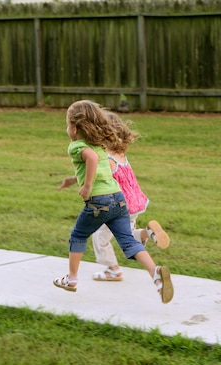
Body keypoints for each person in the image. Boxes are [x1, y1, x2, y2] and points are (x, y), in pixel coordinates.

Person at [55, 100, 174, 303]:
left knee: (78, 235)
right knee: (127, 240)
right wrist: (77, 179)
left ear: (75, 129)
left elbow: (91, 160)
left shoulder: (77, 146)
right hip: (119, 200)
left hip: (99, 202)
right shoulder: (103, 147)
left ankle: (72, 279)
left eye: (67, 125)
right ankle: (155, 274)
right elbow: (97, 164)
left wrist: (86, 187)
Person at [91, 111, 170, 282]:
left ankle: (113, 270)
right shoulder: (120, 155)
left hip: (116, 207)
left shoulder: (106, 159)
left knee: (99, 238)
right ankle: (147, 233)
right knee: (126, 234)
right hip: (132, 204)